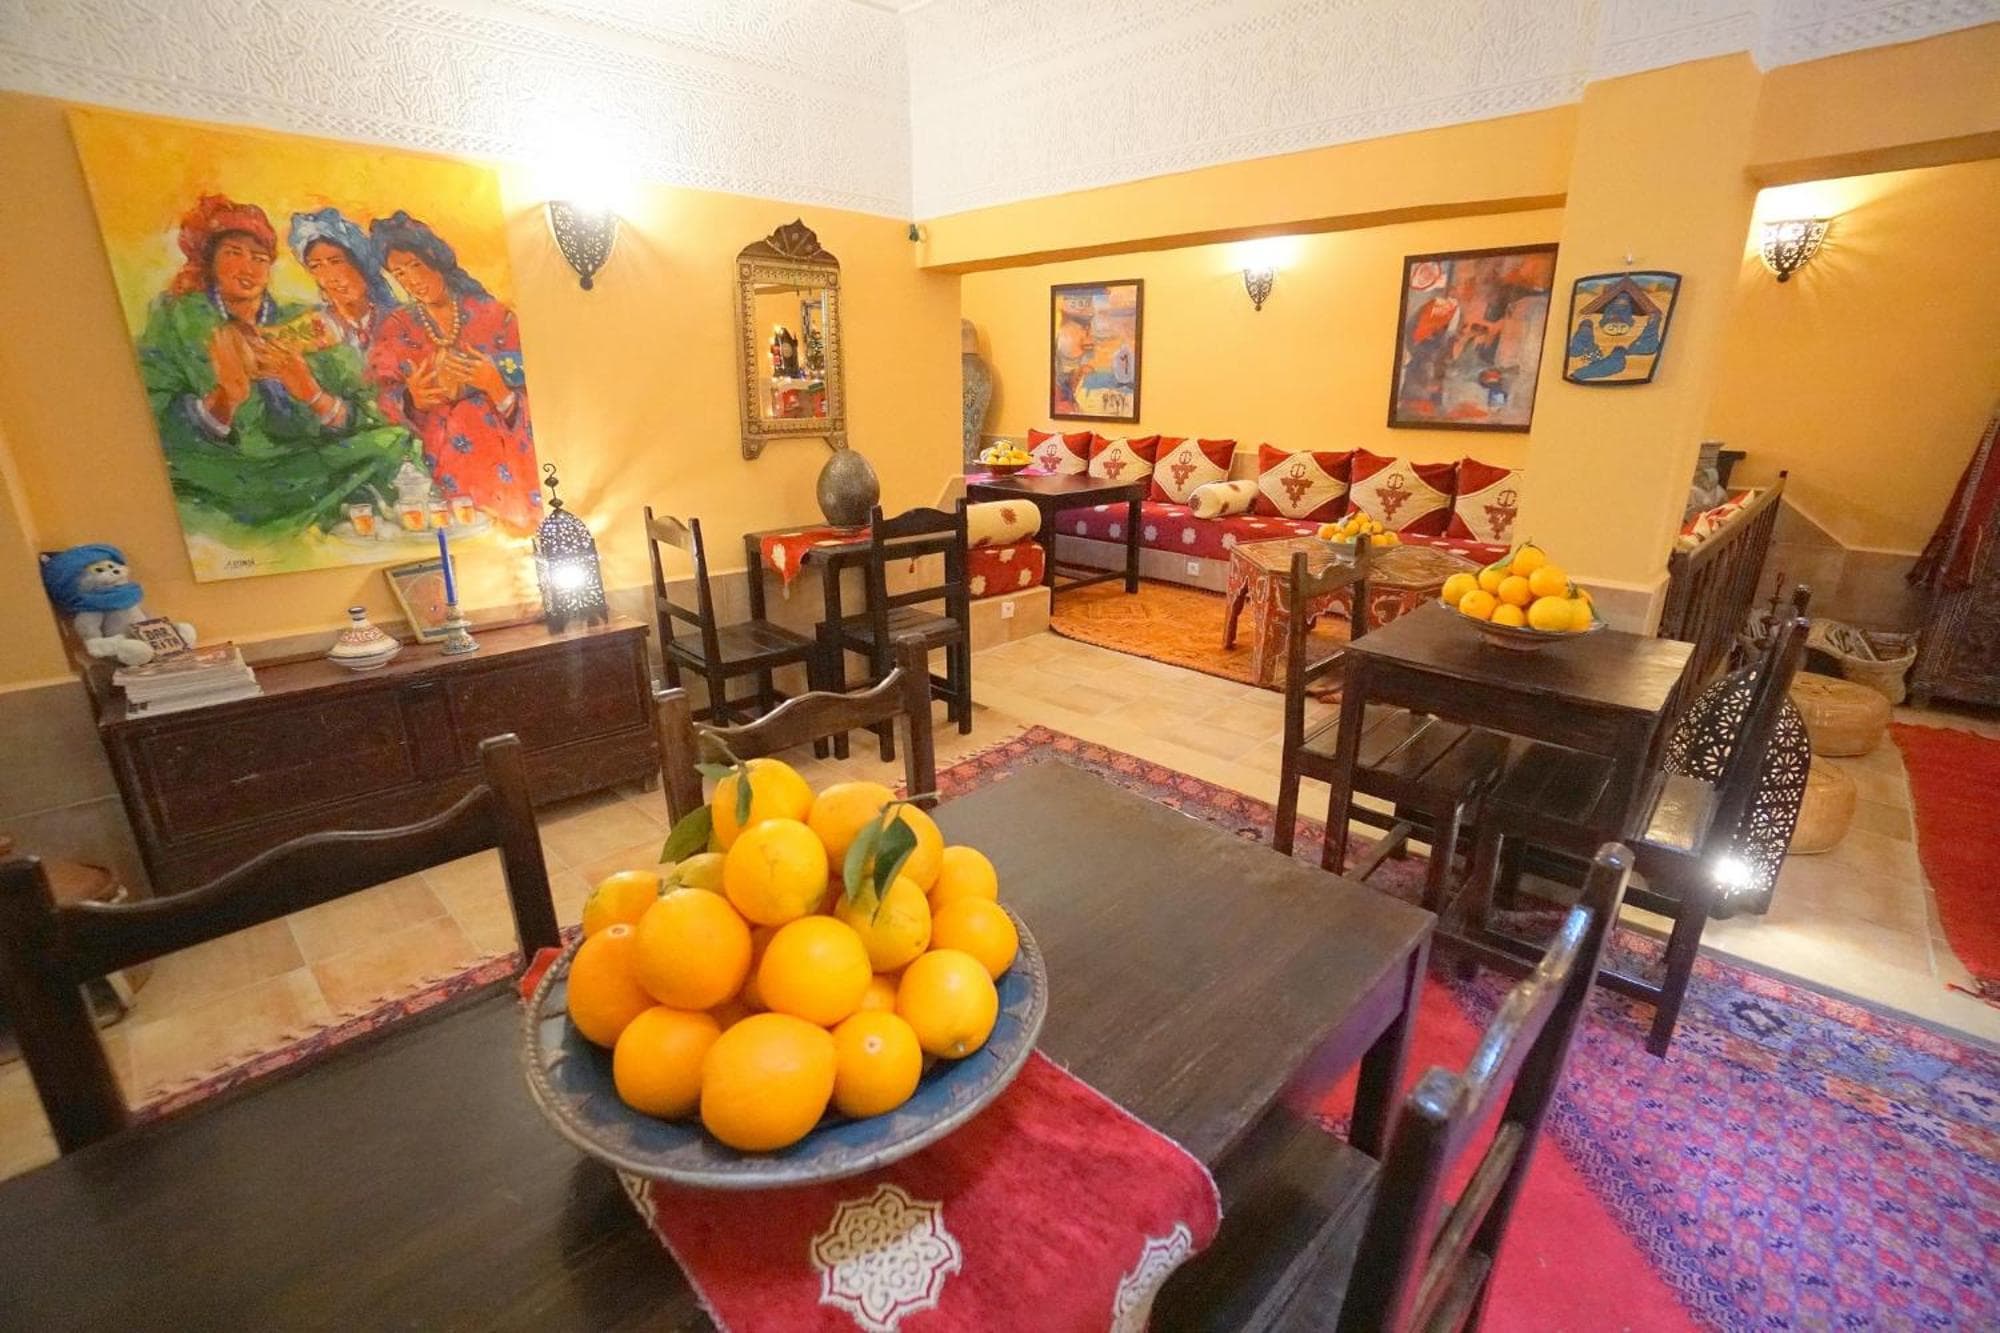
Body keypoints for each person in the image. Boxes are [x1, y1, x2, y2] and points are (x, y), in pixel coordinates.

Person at [135, 194, 420, 542]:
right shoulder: (177, 318)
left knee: (395, 440)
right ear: (210, 261)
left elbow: (367, 408)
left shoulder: (303, 321)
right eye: (233, 253)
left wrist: (311, 393)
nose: (248, 268)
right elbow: (154, 420)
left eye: (259, 258)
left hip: (303, 465)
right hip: (225, 472)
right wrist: (225, 399)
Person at [367, 211, 539, 530]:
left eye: (415, 266)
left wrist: (496, 388)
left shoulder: (493, 314)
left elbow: (541, 391)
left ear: (436, 260)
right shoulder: (395, 327)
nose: (411, 280)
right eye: (400, 273)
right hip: (439, 459)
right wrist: (410, 400)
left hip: (506, 459)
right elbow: (379, 399)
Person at [289, 206, 396, 349]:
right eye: (316, 266)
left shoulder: (398, 320)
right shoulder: (313, 327)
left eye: (336, 262)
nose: (330, 277)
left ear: (362, 264)